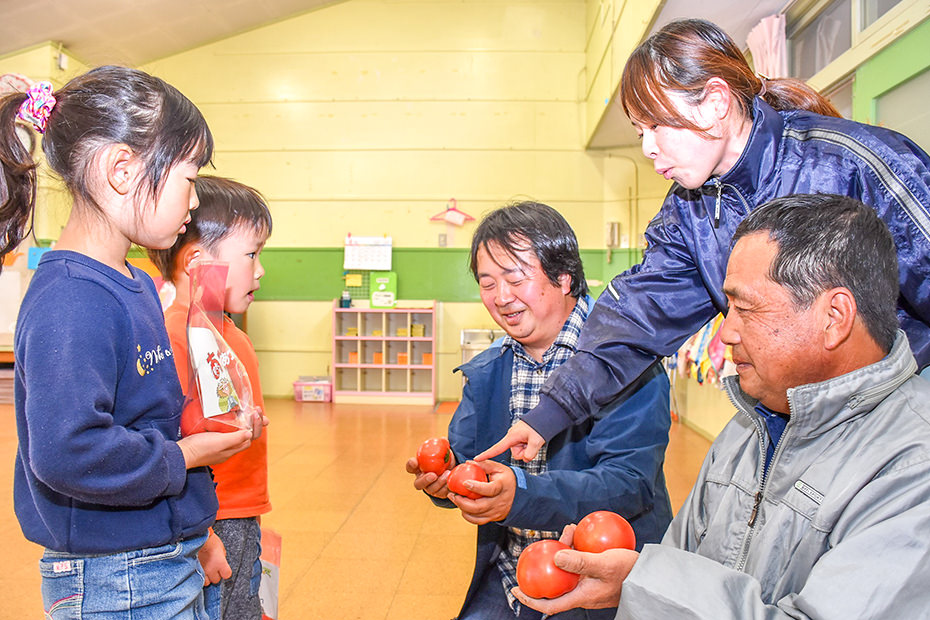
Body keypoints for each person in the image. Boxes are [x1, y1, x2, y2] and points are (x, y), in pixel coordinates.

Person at [478, 18, 930, 465]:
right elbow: (634, 319)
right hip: (796, 432)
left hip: (898, 426)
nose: (648, 149)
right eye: (640, 133)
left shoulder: (853, 163)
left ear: (715, 101)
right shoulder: (689, 213)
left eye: (657, 126)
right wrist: (548, 415)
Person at [513, 193, 930, 618]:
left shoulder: (914, 466)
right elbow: (684, 557)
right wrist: (636, 583)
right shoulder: (750, 426)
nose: (726, 332)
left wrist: (644, 583)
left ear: (834, 316)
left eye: (744, 308)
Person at [0, 67, 263, 618]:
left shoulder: (138, 284)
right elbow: (68, 451)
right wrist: (189, 454)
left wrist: (196, 524)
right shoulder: (71, 298)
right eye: (189, 179)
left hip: (160, 552)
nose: (193, 205)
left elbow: (148, 420)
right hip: (113, 576)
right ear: (122, 170)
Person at [406, 201, 673, 620]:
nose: (501, 298)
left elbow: (628, 485)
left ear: (564, 277)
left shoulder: (624, 365)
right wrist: (448, 481)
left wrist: (520, 496)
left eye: (514, 278)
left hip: (595, 588)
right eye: (487, 282)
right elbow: (468, 460)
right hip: (512, 576)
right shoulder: (490, 367)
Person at [149, 175, 273, 620]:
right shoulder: (179, 333)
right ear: (198, 260)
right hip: (214, 517)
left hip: (241, 512)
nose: (259, 270)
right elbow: (169, 439)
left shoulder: (226, 331)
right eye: (251, 255)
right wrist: (201, 534)